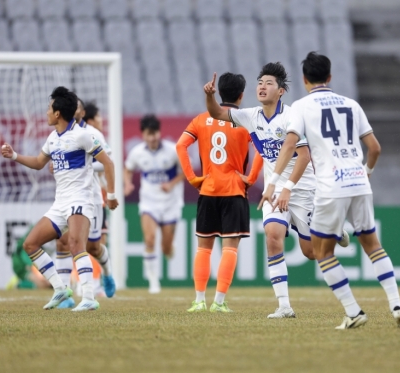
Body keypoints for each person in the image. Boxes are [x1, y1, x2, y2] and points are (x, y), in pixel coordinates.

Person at [260, 52, 400, 329]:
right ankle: (397, 305)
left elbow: (290, 145)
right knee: (374, 246)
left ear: (305, 80)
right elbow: (375, 148)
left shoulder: (302, 107)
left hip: (331, 185)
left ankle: (353, 311)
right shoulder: (351, 104)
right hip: (359, 182)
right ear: (329, 77)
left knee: (322, 252)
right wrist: (367, 172)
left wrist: (276, 183)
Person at [203, 63, 350, 319]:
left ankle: (334, 229)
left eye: (268, 83)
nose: (262, 86)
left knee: (311, 252)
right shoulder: (251, 116)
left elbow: (304, 157)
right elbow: (217, 113)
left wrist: (288, 189)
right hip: (274, 192)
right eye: (260, 82)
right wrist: (209, 95)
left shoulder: (293, 117)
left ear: (280, 91)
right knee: (272, 237)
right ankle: (284, 305)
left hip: (303, 190)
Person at [1, 86, 118, 311]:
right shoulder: (53, 138)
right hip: (60, 203)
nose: (46, 112)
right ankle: (60, 289)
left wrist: (111, 196)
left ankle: (88, 297)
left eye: (48, 108)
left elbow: (108, 163)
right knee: (31, 243)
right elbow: (38, 162)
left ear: (57, 114)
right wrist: (14, 156)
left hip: (81, 200)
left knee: (76, 244)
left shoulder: (83, 136)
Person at [177, 72, 263, 313]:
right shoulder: (245, 122)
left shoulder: (201, 119)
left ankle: (198, 300)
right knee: (230, 248)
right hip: (234, 190)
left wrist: (192, 178)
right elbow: (262, 150)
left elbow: (181, 145)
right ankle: (219, 302)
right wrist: (251, 178)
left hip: (208, 189)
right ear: (241, 95)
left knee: (203, 248)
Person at [54, 98, 116, 309]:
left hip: (91, 197)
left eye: (80, 106)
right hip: (67, 198)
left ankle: (107, 274)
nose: (77, 109)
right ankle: (64, 293)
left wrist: (83, 165)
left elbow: (108, 160)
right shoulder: (58, 135)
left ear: (82, 112)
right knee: (63, 242)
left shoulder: (92, 134)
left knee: (93, 247)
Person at [124, 115, 185, 294]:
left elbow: (185, 173)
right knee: (149, 239)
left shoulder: (173, 150)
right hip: (149, 203)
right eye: (149, 134)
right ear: (143, 134)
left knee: (166, 247)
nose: (153, 137)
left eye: (155, 133)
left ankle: (168, 248)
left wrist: (171, 184)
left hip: (170, 204)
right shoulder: (137, 153)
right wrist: (127, 183)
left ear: (160, 132)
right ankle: (153, 281)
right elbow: (127, 169)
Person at [82, 101, 109, 247]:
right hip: (83, 197)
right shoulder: (90, 135)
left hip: (98, 197)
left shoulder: (96, 136)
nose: (102, 119)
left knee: (98, 243)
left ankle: (105, 270)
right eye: (98, 116)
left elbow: (107, 164)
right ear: (90, 121)